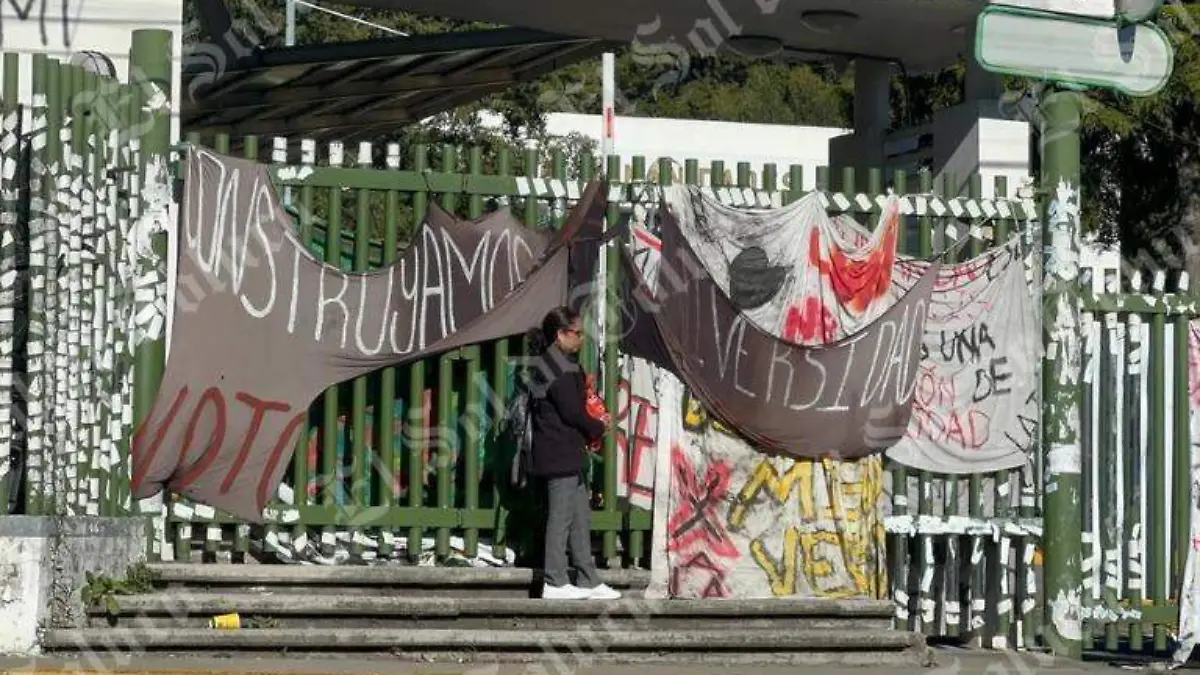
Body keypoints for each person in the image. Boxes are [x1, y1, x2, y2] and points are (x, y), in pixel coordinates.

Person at [526, 306, 622, 601]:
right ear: (560, 335)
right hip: (559, 454)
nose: (582, 339)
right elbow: (572, 412)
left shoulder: (553, 363)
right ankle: (554, 579)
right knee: (562, 518)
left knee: (579, 517)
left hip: (566, 454)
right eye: (577, 333)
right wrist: (598, 426)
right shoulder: (558, 367)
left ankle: (587, 578)